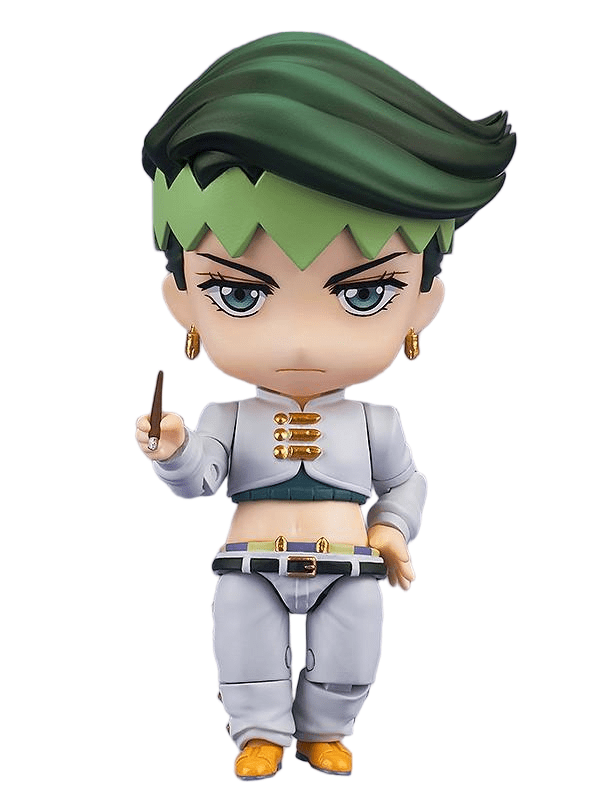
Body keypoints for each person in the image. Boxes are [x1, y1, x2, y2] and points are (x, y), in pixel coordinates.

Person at [136, 31, 516, 780]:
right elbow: (203, 477)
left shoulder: (378, 425)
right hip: (250, 562)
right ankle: (258, 731)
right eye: (238, 293)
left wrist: (392, 529)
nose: (302, 340)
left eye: (364, 294)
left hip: (350, 563)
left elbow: (406, 482)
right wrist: (174, 449)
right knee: (243, 644)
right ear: (184, 302)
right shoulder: (228, 419)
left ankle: (326, 729)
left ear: (421, 306)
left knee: (352, 649)